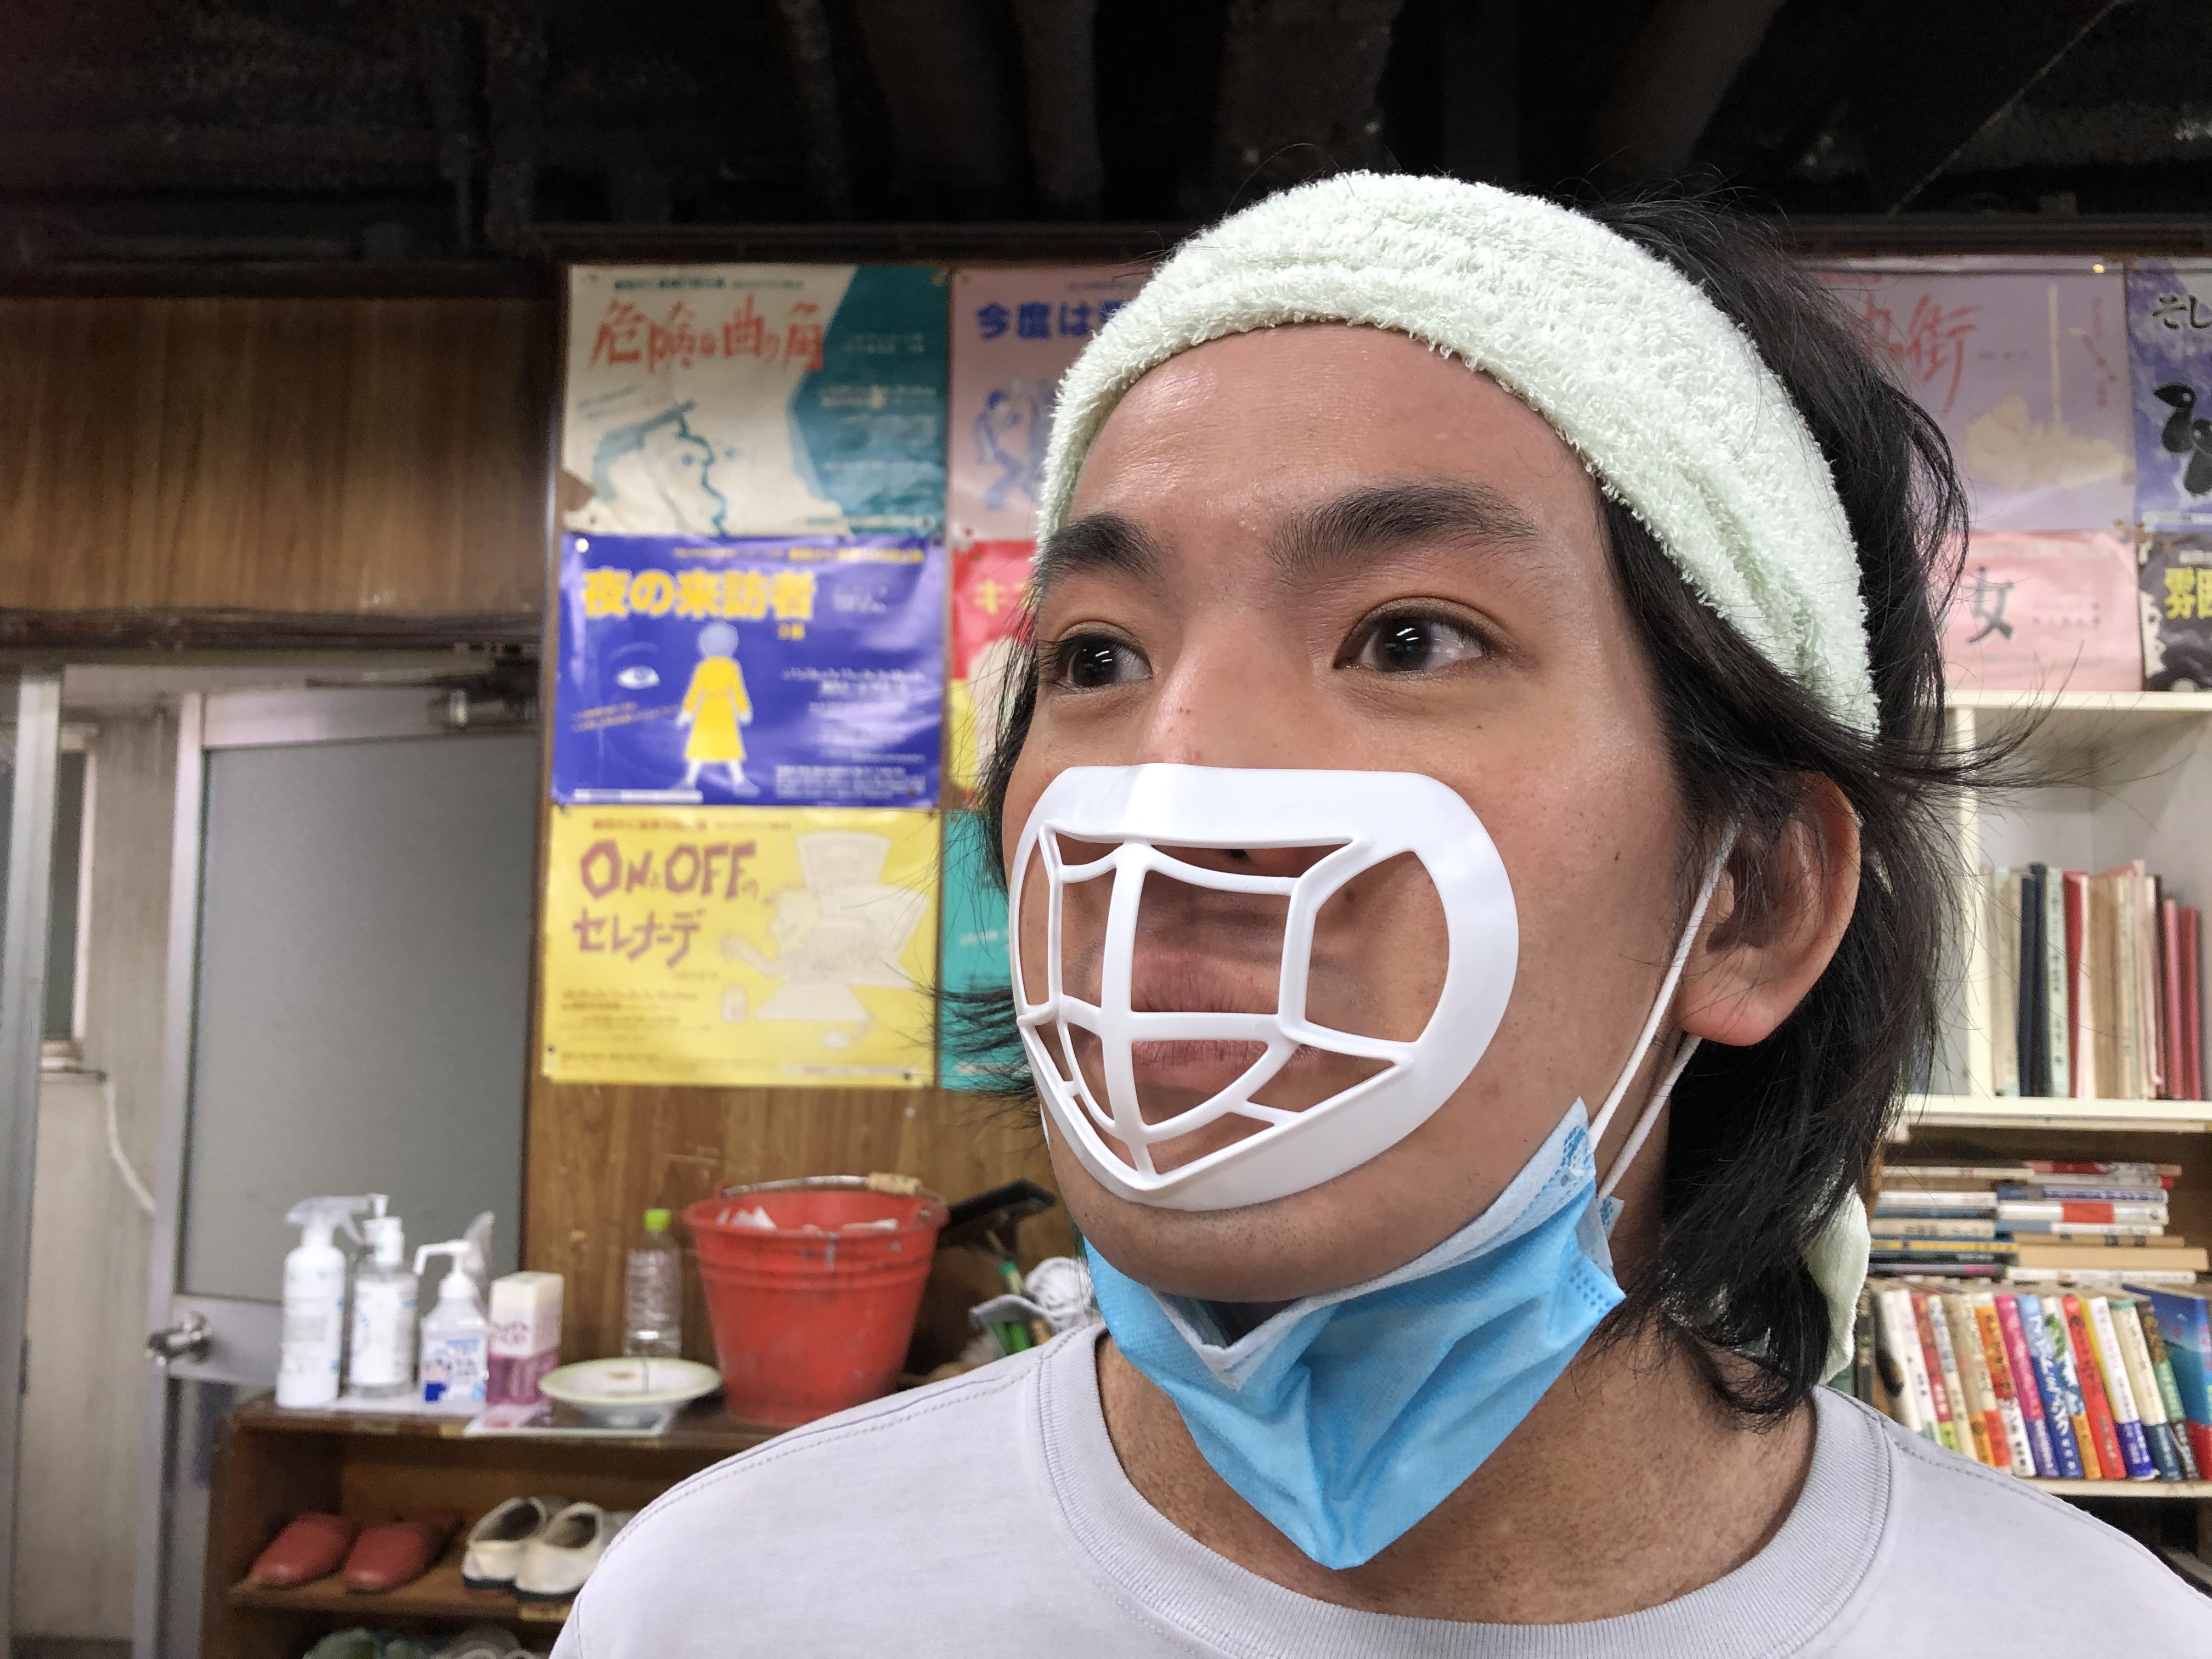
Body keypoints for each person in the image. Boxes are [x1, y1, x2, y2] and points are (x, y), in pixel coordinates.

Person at [555, 176, 2212, 1654]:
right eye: (1096, 656)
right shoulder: (720, 1610)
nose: (1171, 787)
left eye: (1410, 638)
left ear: (1751, 901)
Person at [675, 619, 755, 795]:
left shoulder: (704, 667)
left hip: (707, 711)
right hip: (724, 710)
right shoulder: (732, 667)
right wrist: (743, 711)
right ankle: (739, 782)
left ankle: (689, 782)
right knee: (729, 747)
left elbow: (695, 692)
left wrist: (687, 713)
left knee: (701, 747)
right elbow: (738, 691)